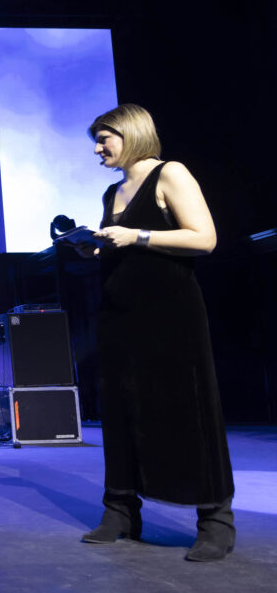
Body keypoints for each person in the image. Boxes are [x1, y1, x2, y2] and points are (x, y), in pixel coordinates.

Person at [79, 104, 235, 562]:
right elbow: (125, 245)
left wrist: (138, 236)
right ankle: (121, 512)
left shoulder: (171, 173)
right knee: (122, 411)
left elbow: (204, 238)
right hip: (119, 315)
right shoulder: (112, 191)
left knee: (189, 410)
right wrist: (98, 247)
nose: (97, 149)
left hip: (171, 314)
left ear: (130, 133)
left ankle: (215, 521)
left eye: (104, 139)